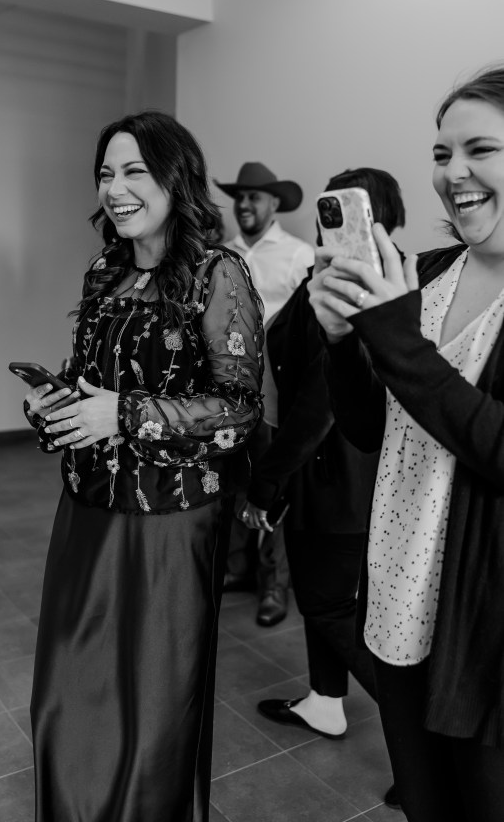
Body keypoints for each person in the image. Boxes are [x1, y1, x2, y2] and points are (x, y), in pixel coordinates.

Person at [23, 110, 264, 822]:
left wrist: (125, 415)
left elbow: (238, 410)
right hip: (85, 513)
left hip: (169, 522)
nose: (115, 188)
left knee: (151, 703)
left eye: (134, 171)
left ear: (175, 178)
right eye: (106, 173)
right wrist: (56, 405)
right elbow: (90, 382)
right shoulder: (105, 271)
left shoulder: (217, 274)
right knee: (65, 695)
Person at [307, 67, 504, 822]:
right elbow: (370, 429)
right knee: (425, 804)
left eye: (479, 150)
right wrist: (339, 342)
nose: (453, 174)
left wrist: (393, 336)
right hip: (397, 590)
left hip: (481, 618)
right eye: (441, 154)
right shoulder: (425, 275)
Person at [242, 167, 405, 811]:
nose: (328, 218)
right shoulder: (359, 279)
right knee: (327, 599)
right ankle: (324, 701)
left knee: (332, 607)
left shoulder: (351, 289)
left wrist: (266, 483)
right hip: (344, 475)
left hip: (336, 476)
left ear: (375, 219)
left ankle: (423, 750)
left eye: (345, 208)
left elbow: (319, 406)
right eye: (327, 206)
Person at [215, 161, 314, 625]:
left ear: (274, 203)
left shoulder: (299, 256)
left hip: (275, 393)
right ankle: (238, 568)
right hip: (228, 391)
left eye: (254, 196)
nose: (244, 204)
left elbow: (307, 330)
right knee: (234, 477)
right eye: (239, 196)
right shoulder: (221, 256)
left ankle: (275, 583)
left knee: (273, 483)